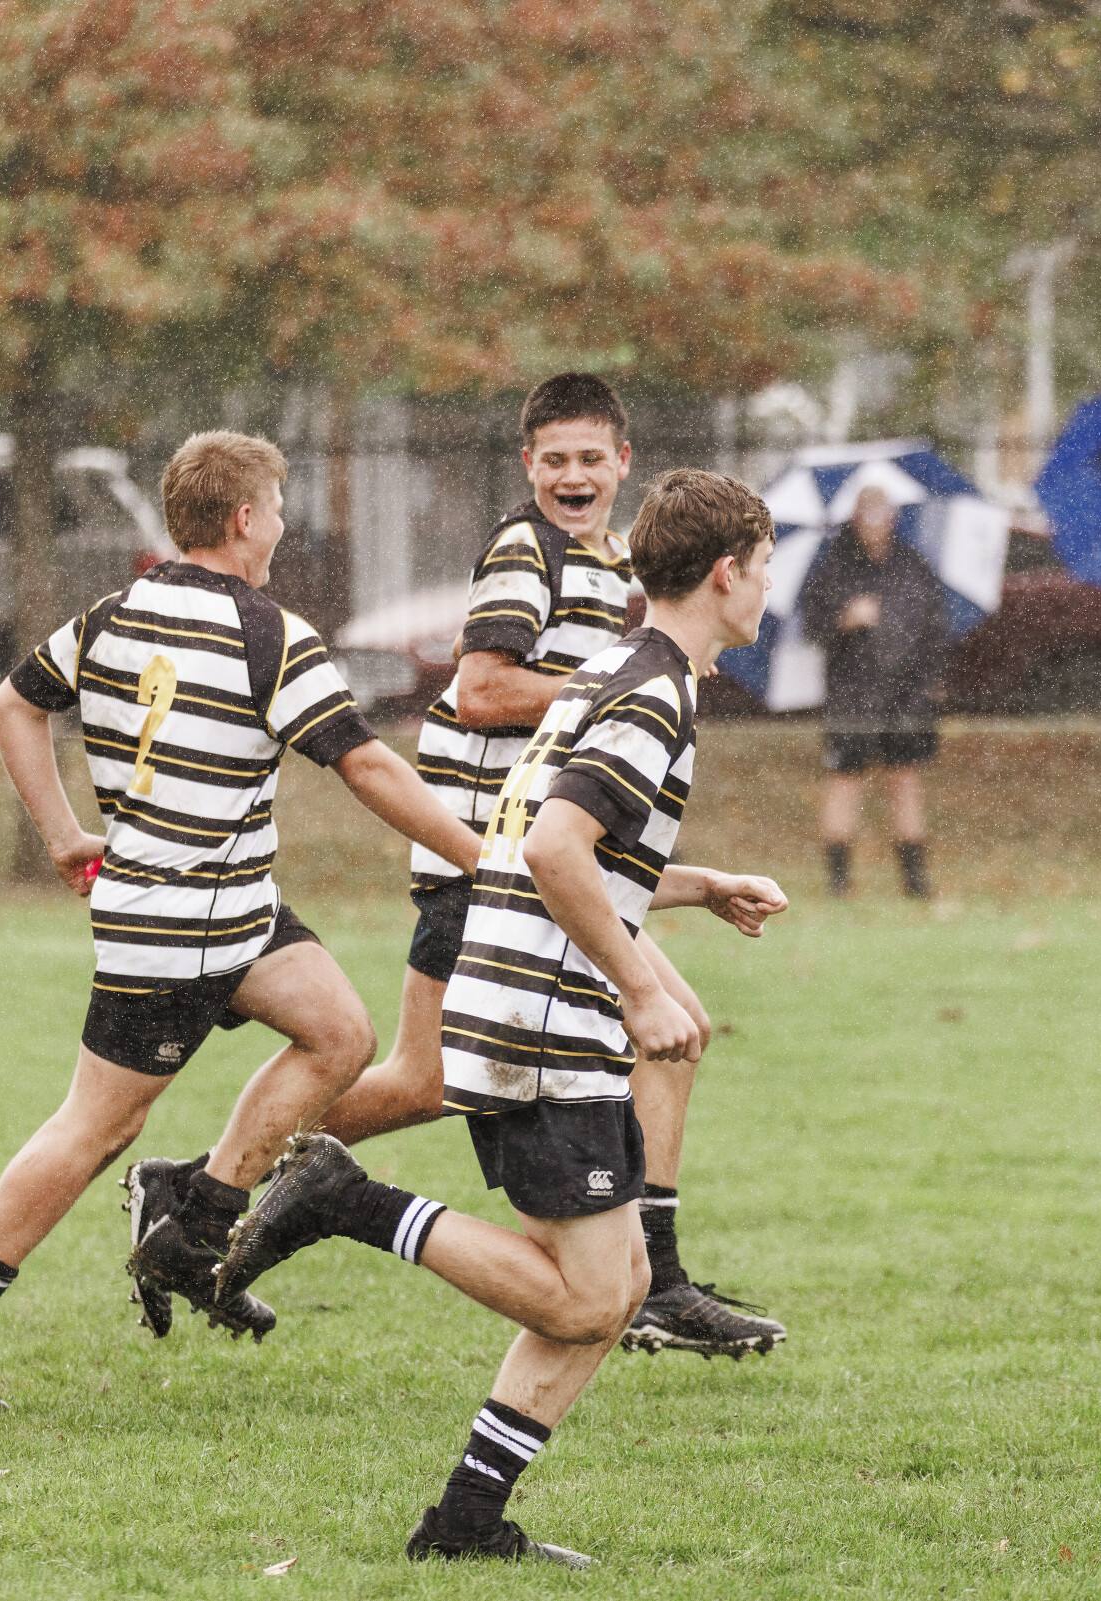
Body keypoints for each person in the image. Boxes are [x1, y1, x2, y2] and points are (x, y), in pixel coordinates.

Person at [214, 468, 786, 1567]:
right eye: (763, 567)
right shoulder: (652, 692)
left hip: (531, 1001)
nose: (768, 587)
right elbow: (559, 851)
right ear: (725, 573)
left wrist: (698, 884)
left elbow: (550, 845)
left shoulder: (616, 668)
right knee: (585, 1297)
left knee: (618, 1286)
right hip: (544, 1017)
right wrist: (643, 988)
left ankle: (467, 1521)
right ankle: (348, 1198)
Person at [0, 430, 485, 1410]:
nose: (282, 525)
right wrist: (485, 858)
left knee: (340, 1033)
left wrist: (63, 833)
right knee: (96, 1125)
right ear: (244, 519)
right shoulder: (269, 633)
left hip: (232, 907)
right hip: (179, 926)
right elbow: (367, 764)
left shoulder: (113, 613)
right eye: (277, 508)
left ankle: (193, 1218)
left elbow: (11, 703)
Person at [314, 373, 786, 1357]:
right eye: (555, 458)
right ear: (528, 464)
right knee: (429, 1085)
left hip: (527, 858)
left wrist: (699, 885)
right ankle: (228, 1181)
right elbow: (482, 692)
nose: (574, 475)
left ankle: (651, 1278)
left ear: (624, 462)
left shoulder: (613, 573)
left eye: (591, 457)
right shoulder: (531, 555)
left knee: (667, 1036)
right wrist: (615, 683)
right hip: (485, 859)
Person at [799, 482, 948, 898]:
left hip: (906, 694)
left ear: (894, 518)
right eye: (867, 514)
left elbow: (936, 627)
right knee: (845, 779)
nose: (876, 523)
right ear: (856, 518)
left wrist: (931, 680)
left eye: (883, 514)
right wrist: (845, 619)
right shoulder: (835, 568)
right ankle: (839, 880)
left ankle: (915, 880)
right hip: (853, 693)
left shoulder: (913, 566)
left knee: (905, 780)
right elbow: (812, 625)